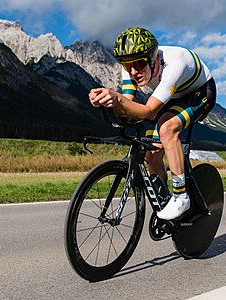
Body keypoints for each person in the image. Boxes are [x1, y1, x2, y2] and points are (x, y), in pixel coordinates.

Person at [89, 27, 216, 220]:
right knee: (152, 154)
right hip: (173, 95)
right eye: (127, 65)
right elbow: (127, 107)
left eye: (139, 64)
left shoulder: (175, 64)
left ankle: (181, 196)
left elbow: (148, 112)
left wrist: (117, 99)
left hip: (199, 92)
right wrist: (107, 102)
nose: (133, 71)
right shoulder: (130, 70)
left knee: (167, 129)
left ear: (152, 58)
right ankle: (165, 201)